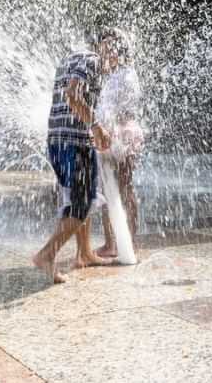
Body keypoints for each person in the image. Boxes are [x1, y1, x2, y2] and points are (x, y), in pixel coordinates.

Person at [33, 29, 123, 284]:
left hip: (58, 139)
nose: (115, 59)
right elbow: (73, 96)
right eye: (115, 51)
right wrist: (95, 126)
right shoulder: (93, 61)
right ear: (105, 47)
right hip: (75, 141)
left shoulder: (71, 58)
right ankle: (47, 254)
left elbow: (69, 98)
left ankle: (83, 253)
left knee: (80, 198)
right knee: (82, 203)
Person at [94, 66, 144, 259]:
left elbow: (123, 108)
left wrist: (110, 127)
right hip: (115, 132)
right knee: (110, 188)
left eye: (109, 47)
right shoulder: (111, 75)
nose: (105, 53)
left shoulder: (127, 73)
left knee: (123, 187)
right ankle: (114, 243)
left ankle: (126, 241)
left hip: (123, 133)